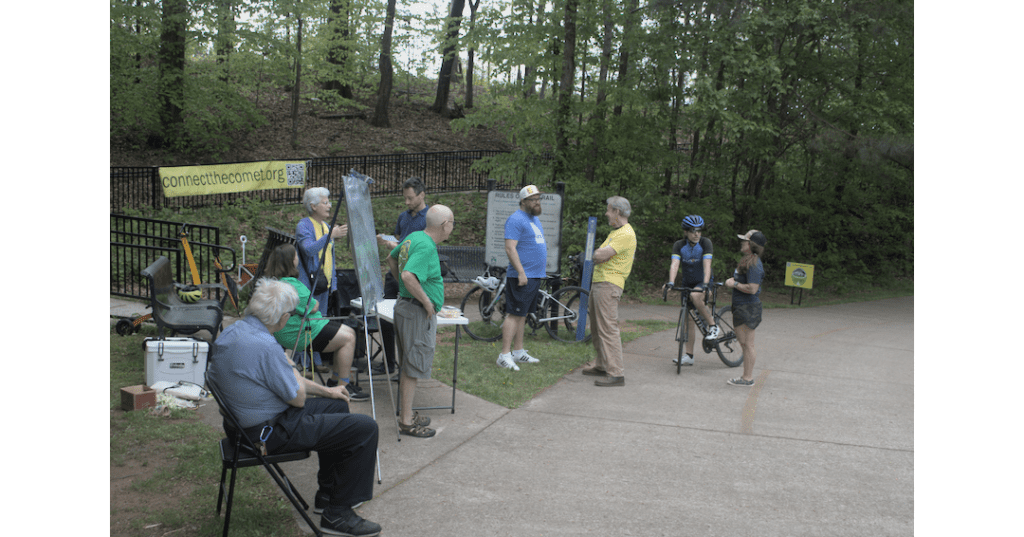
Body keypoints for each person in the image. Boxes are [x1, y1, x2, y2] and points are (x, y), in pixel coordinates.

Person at [207, 278, 381, 537]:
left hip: (244, 427)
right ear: (284, 318)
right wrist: (289, 365)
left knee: (336, 406)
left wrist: (328, 390)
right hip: (265, 434)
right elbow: (297, 398)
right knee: (365, 428)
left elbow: (288, 382)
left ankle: (328, 495)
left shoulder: (237, 330)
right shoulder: (264, 346)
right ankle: (338, 515)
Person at [263, 243, 368, 401]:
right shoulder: (292, 285)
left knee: (348, 332)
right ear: (291, 261)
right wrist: (313, 305)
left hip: (296, 328)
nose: (298, 258)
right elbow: (313, 307)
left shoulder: (275, 282)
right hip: (299, 332)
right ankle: (344, 387)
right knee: (349, 338)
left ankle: (335, 381)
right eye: (296, 256)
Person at [386, 205, 454, 437]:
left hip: (407, 307)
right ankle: (406, 422)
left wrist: (405, 288)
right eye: (452, 223)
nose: (452, 228)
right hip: (415, 311)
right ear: (445, 224)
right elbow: (407, 274)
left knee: (409, 364)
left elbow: (391, 258)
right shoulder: (426, 246)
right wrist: (426, 302)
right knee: (413, 366)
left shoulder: (415, 237)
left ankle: (407, 412)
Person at [375, 176, 429, 378]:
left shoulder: (429, 219)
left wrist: (396, 247)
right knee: (385, 319)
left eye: (410, 198)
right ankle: (388, 363)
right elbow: (400, 239)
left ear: (421, 195)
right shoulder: (403, 216)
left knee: (407, 322)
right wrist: (389, 241)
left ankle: (407, 368)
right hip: (394, 273)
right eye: (404, 198)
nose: (407, 202)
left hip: (413, 276)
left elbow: (422, 248)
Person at [581, 196, 637, 387]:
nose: (606, 213)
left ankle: (616, 373)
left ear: (617, 212)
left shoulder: (625, 233)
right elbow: (598, 255)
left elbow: (600, 254)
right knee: (597, 327)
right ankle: (602, 364)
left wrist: (595, 254)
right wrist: (596, 255)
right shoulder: (616, 232)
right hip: (600, 283)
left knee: (607, 328)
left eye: (608, 210)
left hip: (609, 284)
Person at [295, 187, 349, 372]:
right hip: (307, 283)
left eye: (329, 202)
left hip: (323, 284)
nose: (329, 206)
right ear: (313, 206)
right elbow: (308, 249)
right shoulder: (304, 225)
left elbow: (330, 258)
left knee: (320, 321)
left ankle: (316, 360)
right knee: (307, 320)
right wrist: (330, 236)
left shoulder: (326, 226)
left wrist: (332, 284)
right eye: (325, 202)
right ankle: (303, 360)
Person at [495, 184, 547, 371]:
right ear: (523, 201)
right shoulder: (516, 219)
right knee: (514, 313)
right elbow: (510, 248)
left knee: (522, 314)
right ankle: (504, 355)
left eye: (538, 199)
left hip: (534, 275)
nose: (536, 203)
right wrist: (521, 272)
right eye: (533, 200)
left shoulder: (533, 219)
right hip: (522, 276)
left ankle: (518, 351)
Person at [664, 215, 722, 367]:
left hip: (702, 281)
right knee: (688, 320)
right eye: (692, 231)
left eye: (699, 231)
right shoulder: (679, 245)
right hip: (687, 283)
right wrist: (670, 282)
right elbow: (675, 264)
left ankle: (713, 326)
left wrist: (705, 284)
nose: (696, 234)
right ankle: (689, 356)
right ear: (685, 232)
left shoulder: (705, 243)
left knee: (696, 296)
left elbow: (707, 264)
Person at [724, 229, 767, 387]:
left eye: (745, 240)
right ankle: (746, 376)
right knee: (744, 344)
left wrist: (733, 284)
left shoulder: (755, 264)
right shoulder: (747, 260)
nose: (742, 242)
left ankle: (747, 378)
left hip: (748, 308)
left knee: (748, 344)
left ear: (752, 245)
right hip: (742, 307)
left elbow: (753, 288)